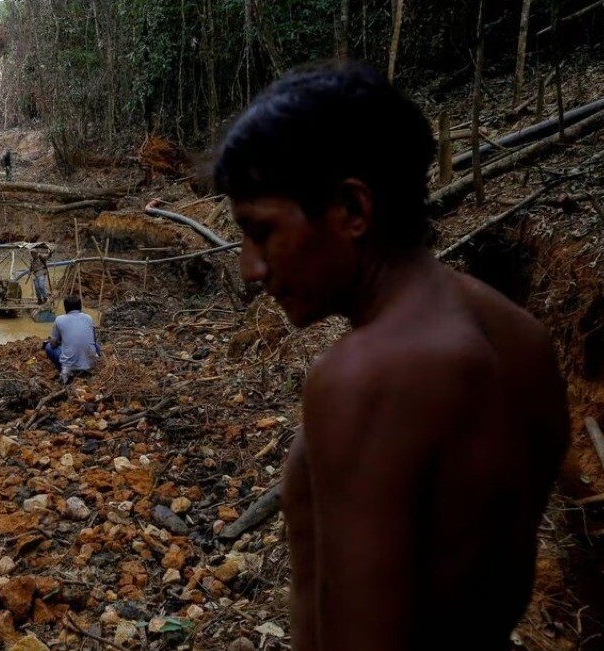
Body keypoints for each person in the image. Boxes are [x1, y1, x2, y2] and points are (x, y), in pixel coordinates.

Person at [214, 62, 568, 651]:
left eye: (262, 231)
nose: (250, 269)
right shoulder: (520, 338)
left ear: (352, 210)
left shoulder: (367, 376)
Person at [43, 295, 100, 385]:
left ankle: (64, 369)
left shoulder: (59, 319)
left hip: (71, 366)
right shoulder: (89, 318)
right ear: (80, 306)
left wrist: (56, 341)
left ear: (65, 308)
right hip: (90, 363)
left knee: (49, 347)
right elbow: (93, 339)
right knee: (96, 345)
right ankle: (90, 363)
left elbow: (53, 344)